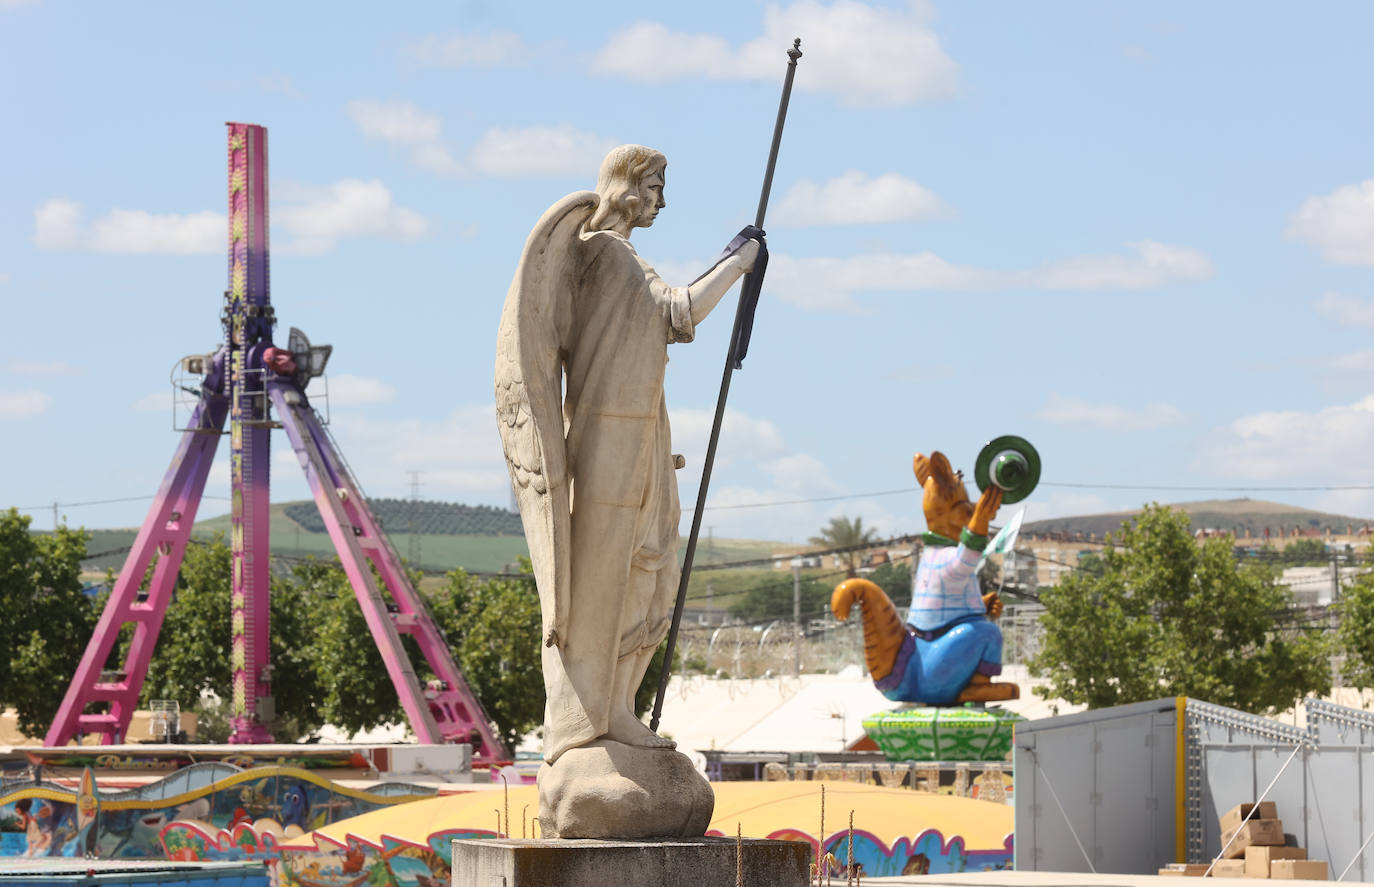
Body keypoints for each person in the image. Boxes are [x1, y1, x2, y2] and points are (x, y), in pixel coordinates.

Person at [496, 145, 759, 764]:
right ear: (630, 187)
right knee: (620, 572)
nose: (663, 201)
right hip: (611, 441)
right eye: (657, 186)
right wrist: (739, 262)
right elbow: (680, 312)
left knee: (648, 566)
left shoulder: (607, 255)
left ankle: (616, 711)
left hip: (636, 436)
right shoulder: (609, 255)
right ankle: (598, 716)